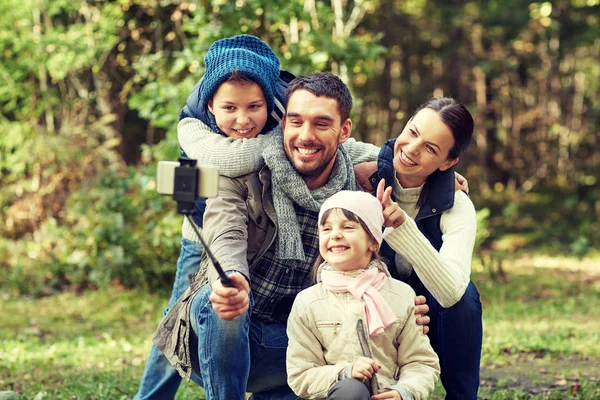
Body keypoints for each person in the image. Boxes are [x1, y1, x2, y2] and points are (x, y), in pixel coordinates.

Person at [152, 72, 433, 400]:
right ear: (283, 123)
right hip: (225, 333)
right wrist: (231, 277)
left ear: (344, 131)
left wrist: (401, 306)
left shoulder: (357, 195)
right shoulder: (242, 175)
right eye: (296, 121)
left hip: (298, 347)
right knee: (224, 301)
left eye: (321, 124)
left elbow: (375, 261)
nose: (305, 135)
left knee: (347, 356)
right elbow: (223, 231)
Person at [135, 34, 291, 400]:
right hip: (203, 232)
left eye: (254, 107)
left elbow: (337, 141)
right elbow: (230, 160)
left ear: (270, 99)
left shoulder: (286, 113)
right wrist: (282, 143)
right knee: (175, 319)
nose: (242, 120)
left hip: (263, 232)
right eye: (229, 108)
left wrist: (387, 158)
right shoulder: (191, 125)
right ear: (210, 104)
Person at [369, 97, 483, 399]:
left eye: (431, 148)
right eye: (412, 132)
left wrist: (402, 227)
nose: (411, 149)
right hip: (375, 308)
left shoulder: (457, 204)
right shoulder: (362, 179)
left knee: (465, 296)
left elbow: (451, 293)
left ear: (448, 163)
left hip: (431, 315)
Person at [286, 189, 440, 400]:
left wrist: (405, 391)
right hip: (338, 395)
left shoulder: (401, 295)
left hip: (387, 393)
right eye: (327, 228)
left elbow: (420, 362)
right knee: (352, 390)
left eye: (348, 227)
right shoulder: (308, 302)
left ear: (373, 241)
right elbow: (300, 373)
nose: (335, 235)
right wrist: (344, 372)